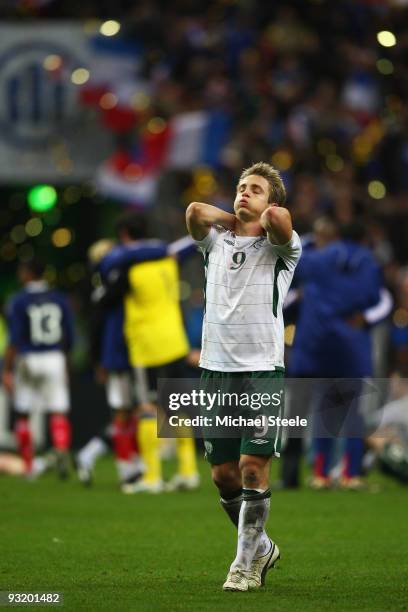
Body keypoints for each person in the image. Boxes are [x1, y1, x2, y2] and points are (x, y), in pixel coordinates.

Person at [186, 161, 302, 591]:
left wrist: (263, 207)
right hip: (215, 370)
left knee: (253, 468)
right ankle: (262, 547)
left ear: (271, 200)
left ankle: (244, 566)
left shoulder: (284, 251)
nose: (244, 192)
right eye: (240, 186)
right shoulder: (214, 243)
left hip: (261, 370)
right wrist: (234, 215)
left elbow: (280, 220)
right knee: (223, 476)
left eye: (255, 189)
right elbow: (196, 211)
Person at [283, 219, 383, 490]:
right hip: (350, 344)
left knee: (323, 410)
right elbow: (374, 297)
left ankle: (320, 474)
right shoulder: (367, 260)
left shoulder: (319, 257)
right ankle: (351, 475)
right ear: (364, 239)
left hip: (318, 343)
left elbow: (296, 267)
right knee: (352, 412)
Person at [105, 213, 200, 494]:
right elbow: (189, 246)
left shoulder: (127, 269)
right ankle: (188, 472)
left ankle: (152, 477)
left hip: (147, 347)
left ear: (124, 235)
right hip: (175, 341)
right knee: (179, 409)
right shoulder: (168, 260)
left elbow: (108, 287)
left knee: (147, 408)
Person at [2, 258, 74, 478]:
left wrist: (6, 369)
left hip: (28, 356)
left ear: (27, 273)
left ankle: (29, 465)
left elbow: (14, 338)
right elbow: (69, 335)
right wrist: (65, 360)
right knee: (58, 411)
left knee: (23, 413)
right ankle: (61, 450)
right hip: (54, 356)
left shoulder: (18, 300)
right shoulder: (59, 298)